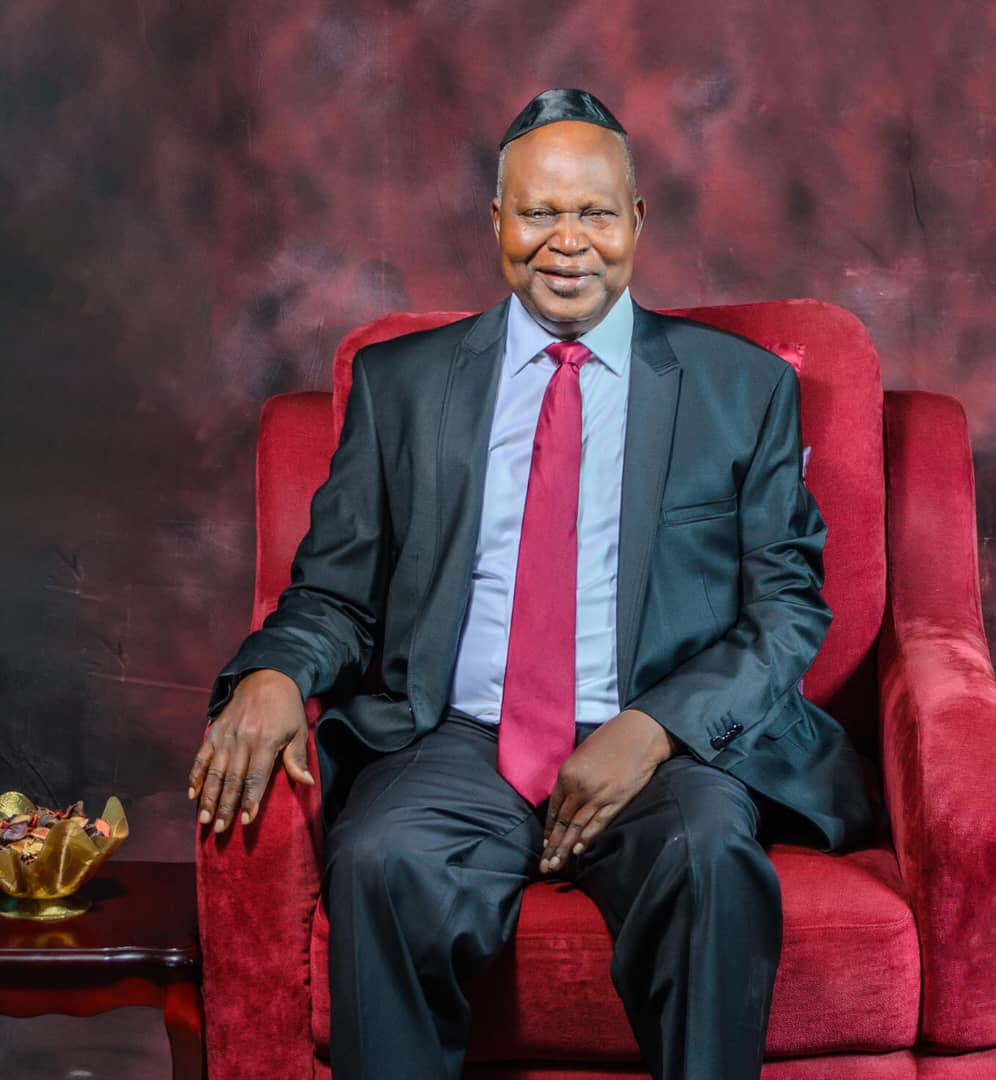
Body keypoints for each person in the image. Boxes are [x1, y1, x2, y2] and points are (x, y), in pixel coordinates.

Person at [188, 89, 877, 1080]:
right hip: (459, 735)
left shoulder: (741, 388)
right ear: (497, 221)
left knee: (710, 861)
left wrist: (654, 729)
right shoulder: (403, 386)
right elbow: (335, 593)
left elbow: (787, 606)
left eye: (594, 211)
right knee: (381, 860)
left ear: (637, 219)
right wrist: (270, 674)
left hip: (661, 746)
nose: (568, 241)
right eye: (540, 212)